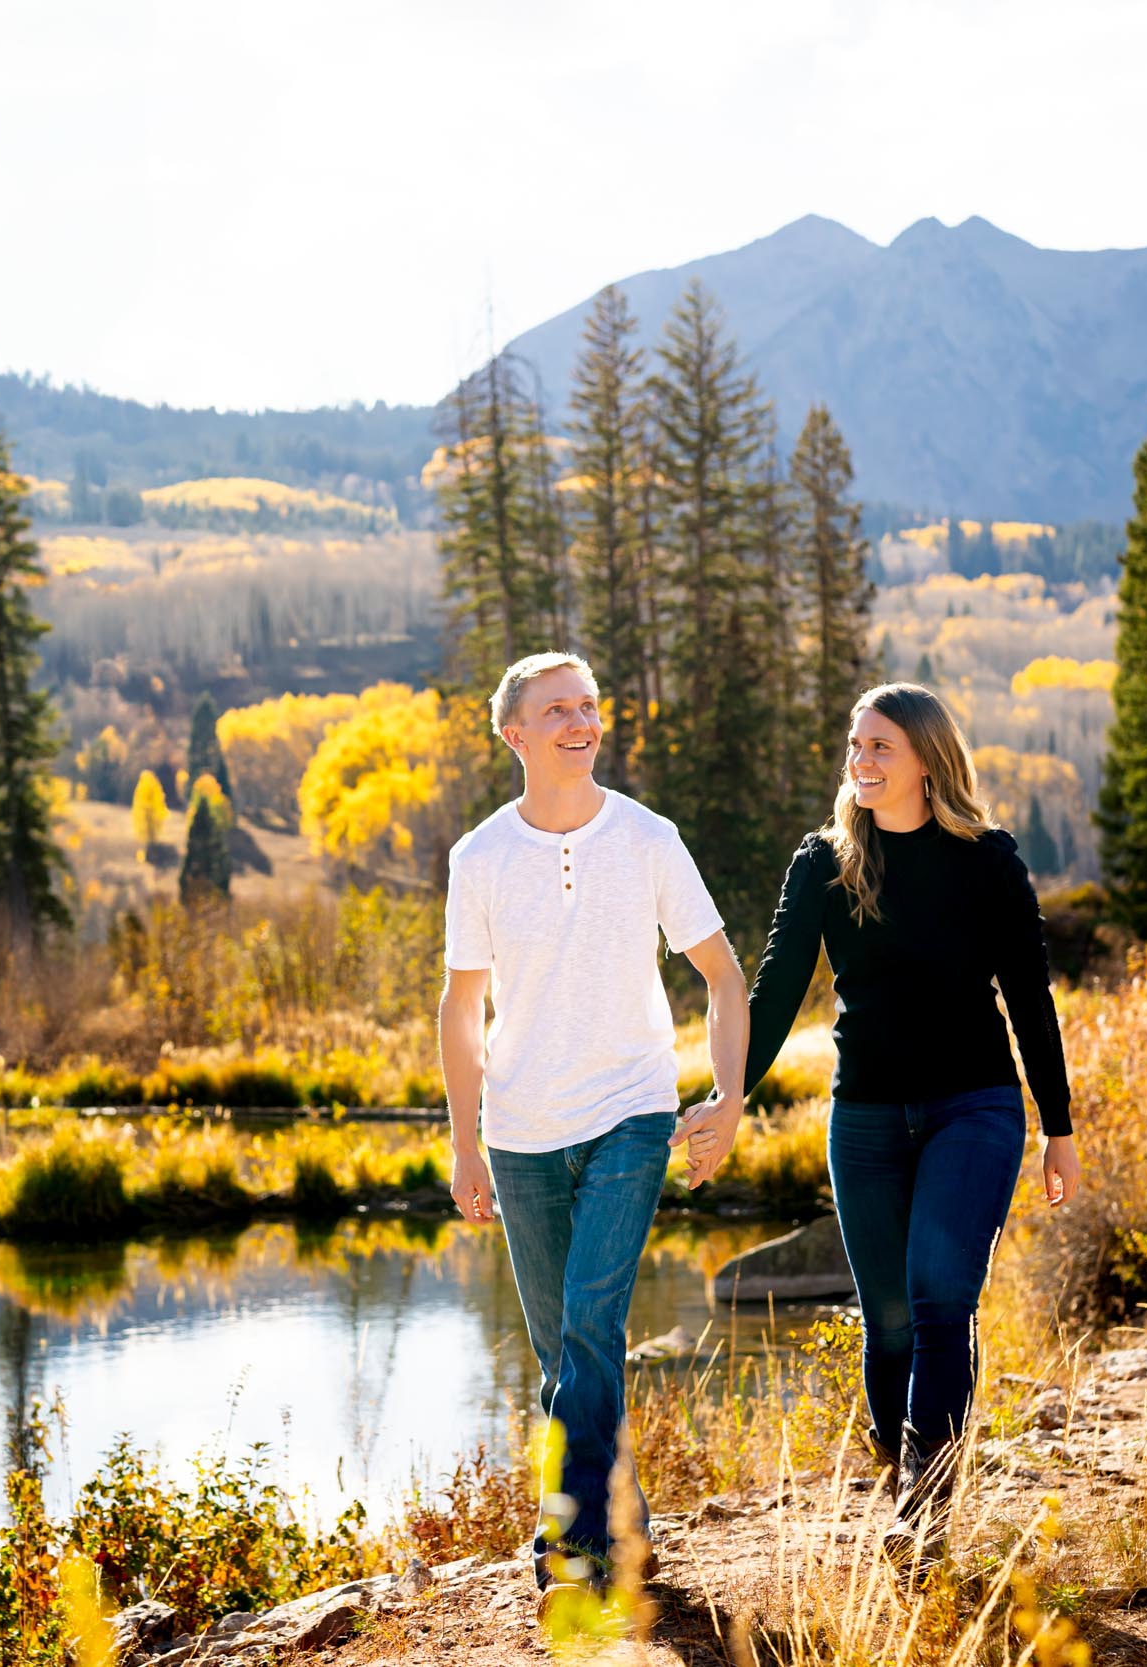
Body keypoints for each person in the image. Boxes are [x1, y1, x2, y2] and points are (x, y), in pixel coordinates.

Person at [713, 681, 1080, 1563]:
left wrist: (1057, 1126)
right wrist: (729, 1096)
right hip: (867, 1117)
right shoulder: (825, 863)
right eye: (854, 746)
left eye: (879, 746)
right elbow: (771, 997)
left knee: (940, 1297)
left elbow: (1030, 998)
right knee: (890, 1323)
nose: (860, 761)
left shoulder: (988, 860)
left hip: (974, 1107)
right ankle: (905, 1469)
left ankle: (924, 1513)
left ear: (927, 759)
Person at [438, 651, 748, 1600]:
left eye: (589, 706)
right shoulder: (480, 857)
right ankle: (623, 1525)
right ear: (514, 734)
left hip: (632, 1108)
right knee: (565, 1350)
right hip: (520, 1128)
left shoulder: (649, 839)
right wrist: (464, 1139)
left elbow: (726, 978)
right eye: (557, 709)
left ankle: (569, 1553)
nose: (581, 721)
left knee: (588, 1325)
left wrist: (726, 1096)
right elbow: (460, 1009)